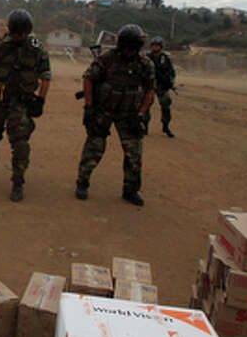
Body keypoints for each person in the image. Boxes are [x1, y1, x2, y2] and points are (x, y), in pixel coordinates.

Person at [0, 9, 51, 202]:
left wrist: (40, 100)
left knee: (21, 143)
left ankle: (18, 183)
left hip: (21, 103)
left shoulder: (36, 48)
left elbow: (46, 76)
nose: (19, 37)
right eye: (16, 33)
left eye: (22, 33)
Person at [74, 23, 155, 206]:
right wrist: (89, 107)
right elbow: (88, 78)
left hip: (130, 114)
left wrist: (141, 114)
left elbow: (150, 90)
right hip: (104, 110)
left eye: (133, 48)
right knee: (94, 147)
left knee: (134, 154)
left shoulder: (145, 64)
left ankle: (130, 190)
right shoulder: (107, 59)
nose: (129, 52)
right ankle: (82, 183)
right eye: (127, 47)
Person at [145, 35, 176, 137]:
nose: (155, 47)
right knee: (145, 105)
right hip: (149, 85)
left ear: (161, 46)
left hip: (162, 86)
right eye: (154, 45)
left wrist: (170, 82)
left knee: (166, 104)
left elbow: (172, 72)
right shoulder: (146, 57)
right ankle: (144, 126)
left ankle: (165, 126)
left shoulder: (165, 58)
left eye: (157, 45)